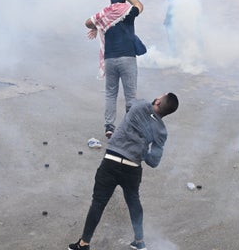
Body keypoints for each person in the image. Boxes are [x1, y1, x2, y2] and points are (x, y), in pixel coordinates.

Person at [67, 92, 179, 250]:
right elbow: (153, 162)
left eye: (161, 96)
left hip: (111, 161)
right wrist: (142, 150)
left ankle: (84, 243)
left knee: (98, 203)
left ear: (159, 101)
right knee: (134, 202)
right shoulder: (161, 131)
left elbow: (134, 105)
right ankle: (140, 242)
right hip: (132, 168)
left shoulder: (139, 105)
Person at [85, 0, 144, 139]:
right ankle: (130, 128)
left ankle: (109, 127)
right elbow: (139, 5)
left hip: (110, 59)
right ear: (123, 0)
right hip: (127, 58)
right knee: (130, 96)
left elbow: (87, 22)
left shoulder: (105, 14)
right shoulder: (128, 11)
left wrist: (96, 26)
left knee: (111, 94)